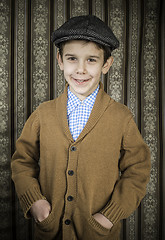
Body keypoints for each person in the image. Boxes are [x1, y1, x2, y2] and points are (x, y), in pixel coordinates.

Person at [11, 15, 151, 240]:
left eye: (92, 60)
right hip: (49, 232)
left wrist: (108, 216)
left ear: (106, 64)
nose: (81, 70)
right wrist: (34, 200)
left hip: (98, 233)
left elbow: (138, 170)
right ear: (60, 61)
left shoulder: (121, 117)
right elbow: (22, 161)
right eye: (72, 59)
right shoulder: (43, 113)